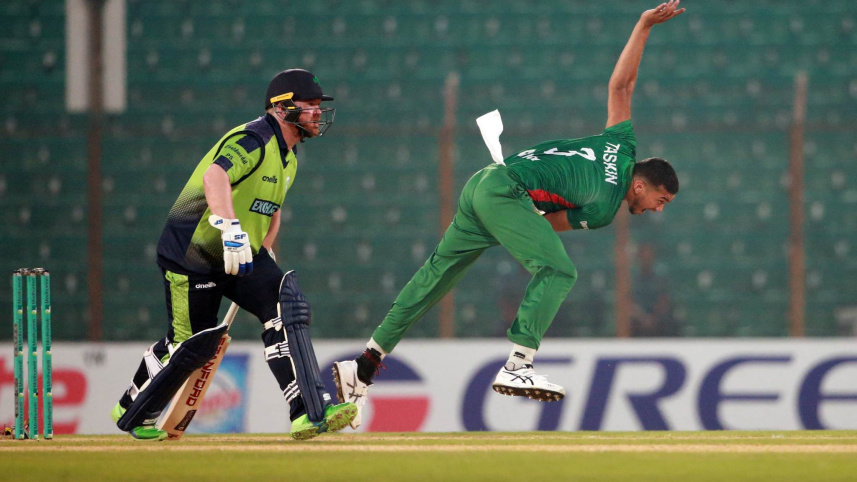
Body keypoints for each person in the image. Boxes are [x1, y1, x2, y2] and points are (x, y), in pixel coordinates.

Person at [333, 2, 684, 428]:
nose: (655, 211)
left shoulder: (623, 144)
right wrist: (514, 227)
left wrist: (643, 24)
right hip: (506, 194)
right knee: (559, 271)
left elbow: (620, 87)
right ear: (642, 185)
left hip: (484, 181)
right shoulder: (608, 206)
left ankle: (364, 366)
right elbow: (548, 224)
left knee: (434, 278)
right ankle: (518, 362)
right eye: (660, 202)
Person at [111, 69, 356, 440]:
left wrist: (265, 248)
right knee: (192, 345)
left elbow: (270, 210)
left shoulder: (288, 158)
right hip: (191, 254)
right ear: (282, 108)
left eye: (318, 107)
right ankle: (133, 407)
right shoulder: (254, 138)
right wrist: (230, 230)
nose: (317, 114)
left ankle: (309, 411)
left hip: (240, 251)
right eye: (309, 107)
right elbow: (215, 177)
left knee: (285, 304)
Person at [631, 243, 678, 337]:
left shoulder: (661, 277)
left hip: (658, 318)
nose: (646, 260)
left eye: (648, 256)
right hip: (638, 318)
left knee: (668, 320)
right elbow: (628, 301)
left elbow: (664, 299)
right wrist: (642, 317)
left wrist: (653, 318)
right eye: (643, 257)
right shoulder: (632, 278)